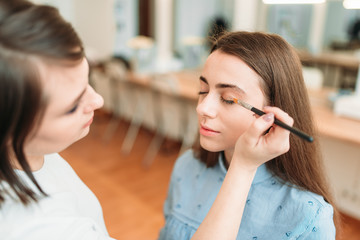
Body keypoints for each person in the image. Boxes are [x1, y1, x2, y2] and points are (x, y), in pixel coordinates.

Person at [0, 1, 294, 239]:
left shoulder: (34, 155)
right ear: (13, 126)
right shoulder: (36, 228)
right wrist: (243, 166)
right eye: (73, 104)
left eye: (228, 98)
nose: (98, 101)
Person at [158, 31, 339, 240]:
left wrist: (243, 165)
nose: (203, 108)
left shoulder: (309, 217)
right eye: (203, 91)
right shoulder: (186, 167)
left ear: (273, 114)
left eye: (228, 99)